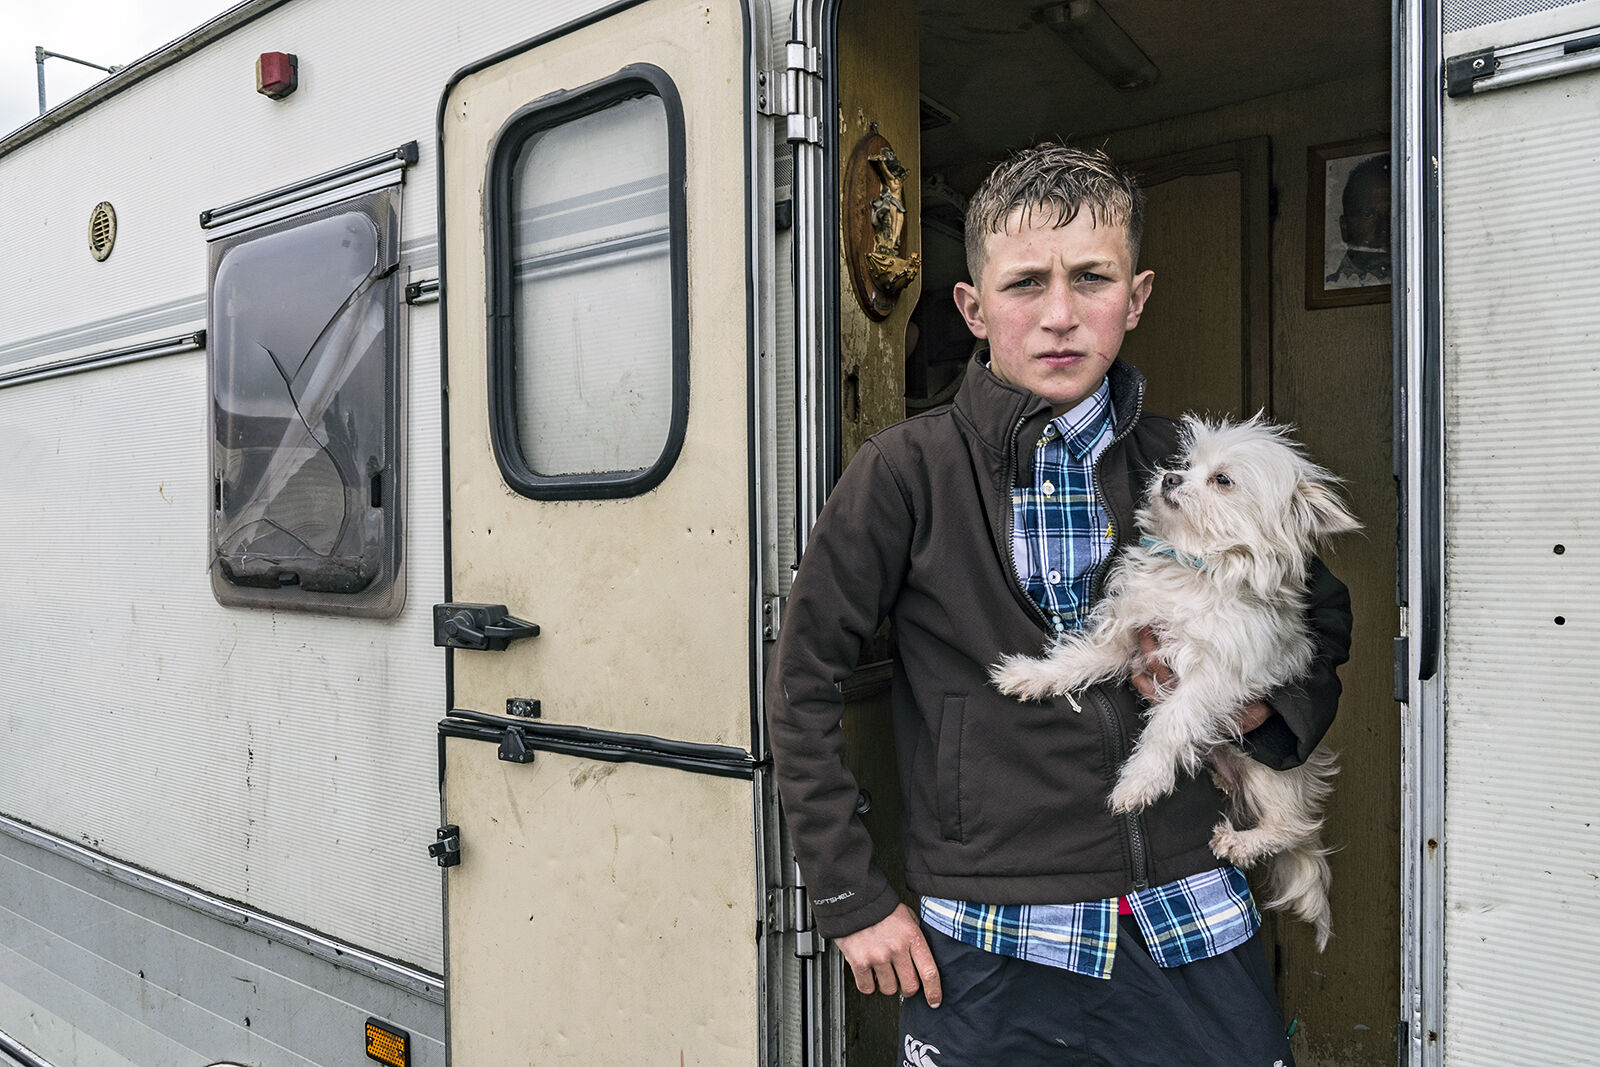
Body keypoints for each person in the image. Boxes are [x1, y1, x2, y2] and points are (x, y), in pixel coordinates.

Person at [765, 143, 1352, 1065]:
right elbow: (801, 682)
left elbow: (1322, 623)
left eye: (1092, 278)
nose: (1060, 315)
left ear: (1139, 294)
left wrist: (1264, 711)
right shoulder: (904, 473)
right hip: (991, 931)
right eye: (1025, 283)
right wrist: (849, 895)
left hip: (1189, 908)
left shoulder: (1198, 468)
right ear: (971, 307)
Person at [1326, 153, 1391, 288]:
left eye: (1394, 214)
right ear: (1345, 228)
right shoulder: (1334, 288)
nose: (1384, 228)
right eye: (1368, 214)